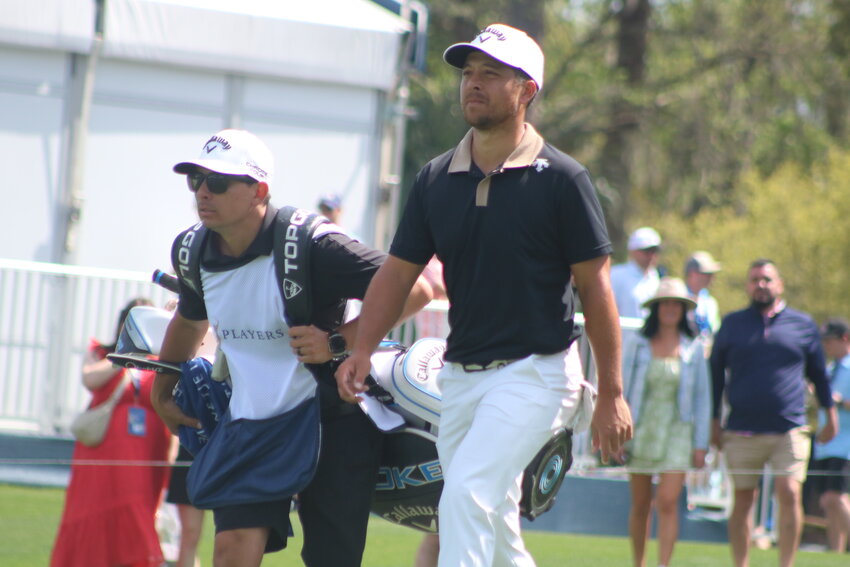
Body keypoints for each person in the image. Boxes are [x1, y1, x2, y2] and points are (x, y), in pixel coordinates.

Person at [335, 23, 632, 567]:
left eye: (491, 74)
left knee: (466, 494)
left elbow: (596, 289)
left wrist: (611, 391)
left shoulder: (563, 179)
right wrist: (360, 349)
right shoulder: (434, 178)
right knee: (492, 520)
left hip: (537, 374)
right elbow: (398, 274)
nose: (472, 84)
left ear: (527, 91)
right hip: (461, 375)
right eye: (468, 73)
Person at [150, 128, 433, 567]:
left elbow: (415, 289)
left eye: (218, 182)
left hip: (333, 420)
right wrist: (161, 388)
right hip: (250, 421)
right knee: (231, 550)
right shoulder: (190, 249)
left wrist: (338, 341)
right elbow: (190, 319)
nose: (203, 192)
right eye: (196, 180)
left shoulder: (314, 243)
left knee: (330, 560)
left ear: (258, 190)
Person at [710, 259, 839, 567]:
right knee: (743, 500)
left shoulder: (803, 325)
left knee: (790, 493)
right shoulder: (732, 324)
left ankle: (786, 564)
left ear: (779, 284)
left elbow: (820, 376)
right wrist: (714, 421)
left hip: (790, 428)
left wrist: (829, 415)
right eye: (754, 279)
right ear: (747, 286)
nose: (761, 285)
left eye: (767, 279)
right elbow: (714, 376)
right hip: (741, 428)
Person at [51, 298, 172, 567]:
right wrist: (126, 354)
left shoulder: (162, 359)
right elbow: (90, 379)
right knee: (94, 511)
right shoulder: (102, 352)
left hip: (146, 452)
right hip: (103, 451)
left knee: (138, 510)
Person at [622, 277, 711, 567]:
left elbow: (702, 398)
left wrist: (700, 444)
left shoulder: (694, 348)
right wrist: (619, 432)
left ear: (684, 309)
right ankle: (639, 562)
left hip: (678, 431)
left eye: (677, 304)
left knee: (669, 501)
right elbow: (621, 385)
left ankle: (663, 564)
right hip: (642, 428)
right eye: (666, 303)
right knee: (640, 503)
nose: (671, 308)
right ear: (656, 308)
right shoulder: (636, 344)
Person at [811, 317, 850, 552]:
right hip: (826, 445)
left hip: (846, 445)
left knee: (837, 498)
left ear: (844, 339)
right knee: (827, 501)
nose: (825, 346)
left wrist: (839, 401)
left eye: (829, 341)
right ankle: (835, 553)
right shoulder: (827, 370)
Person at [610, 226, 663, 319]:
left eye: (654, 251)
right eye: (646, 251)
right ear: (633, 251)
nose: (651, 255)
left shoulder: (656, 277)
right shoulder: (616, 275)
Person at [684, 251, 722, 340]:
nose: (711, 277)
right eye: (707, 274)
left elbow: (715, 331)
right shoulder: (680, 300)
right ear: (692, 274)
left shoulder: (710, 302)